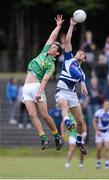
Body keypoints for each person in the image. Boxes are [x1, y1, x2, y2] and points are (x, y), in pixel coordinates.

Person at [23, 15, 64, 150]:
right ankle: (43, 138)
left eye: (54, 48)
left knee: (45, 115)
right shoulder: (44, 52)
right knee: (31, 114)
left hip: (37, 87)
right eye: (51, 46)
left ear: (57, 54)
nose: (51, 47)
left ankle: (57, 136)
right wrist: (58, 27)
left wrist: (40, 92)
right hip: (26, 87)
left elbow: (45, 79)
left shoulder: (51, 64)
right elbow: (52, 37)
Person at [55, 17, 88, 155]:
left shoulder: (81, 71)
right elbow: (68, 41)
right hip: (61, 91)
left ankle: (79, 141)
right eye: (79, 51)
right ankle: (67, 122)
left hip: (72, 94)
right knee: (63, 104)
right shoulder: (69, 59)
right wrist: (70, 26)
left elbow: (82, 80)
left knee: (80, 121)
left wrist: (84, 86)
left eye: (83, 53)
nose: (80, 52)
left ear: (84, 60)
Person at [93, 100, 109, 169]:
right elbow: (94, 122)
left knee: (107, 148)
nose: (107, 106)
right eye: (105, 104)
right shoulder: (99, 112)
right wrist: (97, 130)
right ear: (103, 105)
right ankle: (98, 162)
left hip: (108, 132)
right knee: (99, 148)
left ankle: (107, 164)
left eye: (108, 105)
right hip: (99, 132)